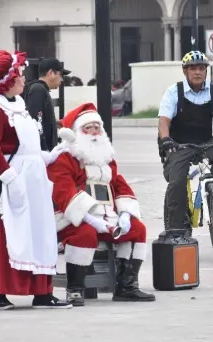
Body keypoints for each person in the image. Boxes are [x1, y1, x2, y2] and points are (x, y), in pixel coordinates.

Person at [0, 50, 71, 310]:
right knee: (9, 233)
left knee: (40, 231)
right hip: (8, 177)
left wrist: (47, 156)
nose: (23, 78)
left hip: (31, 176)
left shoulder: (18, 103)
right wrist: (10, 178)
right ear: (5, 79)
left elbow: (26, 144)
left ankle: (42, 292)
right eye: (18, 74)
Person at [48, 103, 155, 305]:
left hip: (108, 219)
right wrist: (91, 219)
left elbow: (120, 186)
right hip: (72, 220)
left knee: (137, 229)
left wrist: (125, 214)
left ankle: (127, 286)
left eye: (98, 127)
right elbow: (64, 193)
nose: (95, 132)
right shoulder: (64, 159)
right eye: (89, 128)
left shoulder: (107, 159)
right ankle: (75, 289)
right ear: (77, 132)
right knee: (85, 233)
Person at [158, 50, 213, 231]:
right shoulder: (173, 92)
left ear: (206, 71)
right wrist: (166, 139)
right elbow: (164, 121)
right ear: (185, 72)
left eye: (201, 68)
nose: (197, 72)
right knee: (177, 183)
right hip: (178, 145)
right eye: (192, 69)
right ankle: (176, 229)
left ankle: (211, 192)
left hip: (205, 143)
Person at [23, 58, 71, 152]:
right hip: (43, 154)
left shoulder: (41, 89)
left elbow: (40, 119)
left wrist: (53, 123)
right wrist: (45, 150)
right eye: (60, 75)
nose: (61, 80)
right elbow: (36, 122)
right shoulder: (38, 90)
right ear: (50, 73)